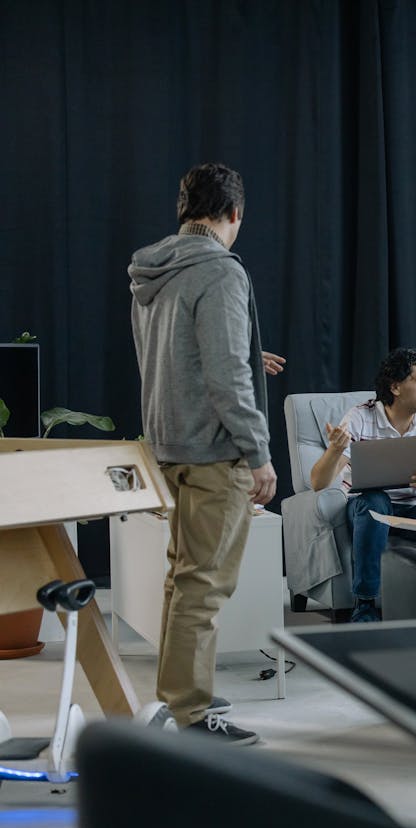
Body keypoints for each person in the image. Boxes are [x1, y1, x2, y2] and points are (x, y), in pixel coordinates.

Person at [129, 162, 276, 745]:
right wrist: (258, 452)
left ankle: (179, 694)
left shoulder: (152, 270)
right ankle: (191, 715)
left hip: (167, 444)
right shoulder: (220, 270)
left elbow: (169, 358)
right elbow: (226, 375)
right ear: (234, 213)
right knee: (204, 586)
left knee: (182, 579)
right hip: (216, 452)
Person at [309, 347, 416, 623]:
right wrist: (335, 450)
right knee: (375, 499)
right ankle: (365, 604)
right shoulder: (360, 417)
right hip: (368, 510)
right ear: (395, 387)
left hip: (415, 510)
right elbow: (318, 483)